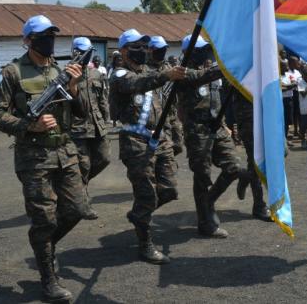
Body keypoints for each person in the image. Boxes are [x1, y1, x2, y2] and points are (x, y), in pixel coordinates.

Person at [0, 15, 87, 301]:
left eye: (52, 35)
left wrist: (74, 89)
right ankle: (48, 279)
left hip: (65, 153)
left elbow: (81, 112)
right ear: (28, 40)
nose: (49, 40)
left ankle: (44, 246)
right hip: (34, 157)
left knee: (77, 210)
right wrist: (29, 125)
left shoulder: (62, 71)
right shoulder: (12, 73)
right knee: (44, 219)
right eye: (43, 36)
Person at [108, 28, 185, 264]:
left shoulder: (151, 72)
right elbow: (136, 83)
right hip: (135, 142)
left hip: (159, 139)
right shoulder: (119, 75)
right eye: (136, 47)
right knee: (146, 194)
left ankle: (139, 214)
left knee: (170, 189)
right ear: (123, 50)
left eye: (144, 46)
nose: (141, 51)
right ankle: (145, 243)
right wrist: (166, 75)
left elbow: (161, 106)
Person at [176, 35, 249, 238]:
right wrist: (229, 63)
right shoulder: (182, 73)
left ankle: (208, 201)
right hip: (197, 131)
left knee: (233, 166)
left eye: (206, 49)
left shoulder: (212, 69)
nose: (205, 53)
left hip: (217, 127)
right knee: (202, 175)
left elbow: (218, 97)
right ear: (187, 52)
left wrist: (226, 125)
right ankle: (205, 221)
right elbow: (200, 77)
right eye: (200, 50)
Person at [69, 37, 111, 221]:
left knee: (104, 158)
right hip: (77, 128)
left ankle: (77, 185)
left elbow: (102, 99)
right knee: (83, 165)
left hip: (97, 125)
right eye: (80, 51)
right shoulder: (65, 74)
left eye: (87, 51)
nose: (84, 55)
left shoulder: (96, 75)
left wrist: (107, 118)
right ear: (74, 51)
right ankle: (83, 203)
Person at [233, 86, 272, 222]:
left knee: (279, 153)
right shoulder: (239, 66)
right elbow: (229, 84)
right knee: (255, 159)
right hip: (248, 118)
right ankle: (259, 205)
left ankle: (245, 176)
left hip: (266, 113)